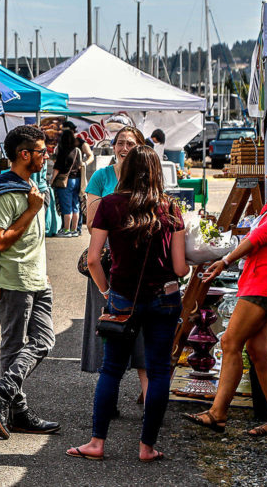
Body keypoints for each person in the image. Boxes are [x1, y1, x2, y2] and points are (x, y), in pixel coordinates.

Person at [67, 145, 188, 463]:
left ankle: (96, 443)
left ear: (126, 169)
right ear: (158, 173)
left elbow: (93, 260)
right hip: (165, 297)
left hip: (122, 297)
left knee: (112, 370)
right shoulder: (170, 208)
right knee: (159, 371)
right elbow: (180, 269)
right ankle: (147, 447)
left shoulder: (109, 204)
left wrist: (107, 293)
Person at [185, 152, 267, 437]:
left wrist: (225, 261)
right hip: (259, 282)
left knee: (230, 341)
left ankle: (218, 414)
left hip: (266, 284)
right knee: (257, 352)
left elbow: (257, 239)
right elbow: (252, 234)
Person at [0, 125, 60, 440]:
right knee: (13, 346)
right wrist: (32, 210)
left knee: (44, 340)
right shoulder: (6, 192)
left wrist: (43, 271)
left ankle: (3, 393)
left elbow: (34, 241)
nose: (46, 155)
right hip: (12, 281)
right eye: (41, 150)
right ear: (24, 154)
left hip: (38, 279)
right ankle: (19, 412)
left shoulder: (31, 187)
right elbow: (0, 241)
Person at [81, 126, 150, 401]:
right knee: (109, 328)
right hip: (106, 259)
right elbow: (90, 223)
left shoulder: (147, 178)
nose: (124, 148)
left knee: (143, 329)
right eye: (120, 143)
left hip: (138, 261)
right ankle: (109, 398)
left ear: (141, 148)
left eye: (130, 144)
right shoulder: (101, 176)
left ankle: (148, 395)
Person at [51, 128, 83, 237]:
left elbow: (57, 168)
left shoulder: (63, 152)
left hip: (65, 182)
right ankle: (74, 230)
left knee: (66, 206)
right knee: (75, 206)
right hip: (77, 180)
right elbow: (80, 166)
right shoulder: (77, 151)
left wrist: (51, 181)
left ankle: (66, 230)